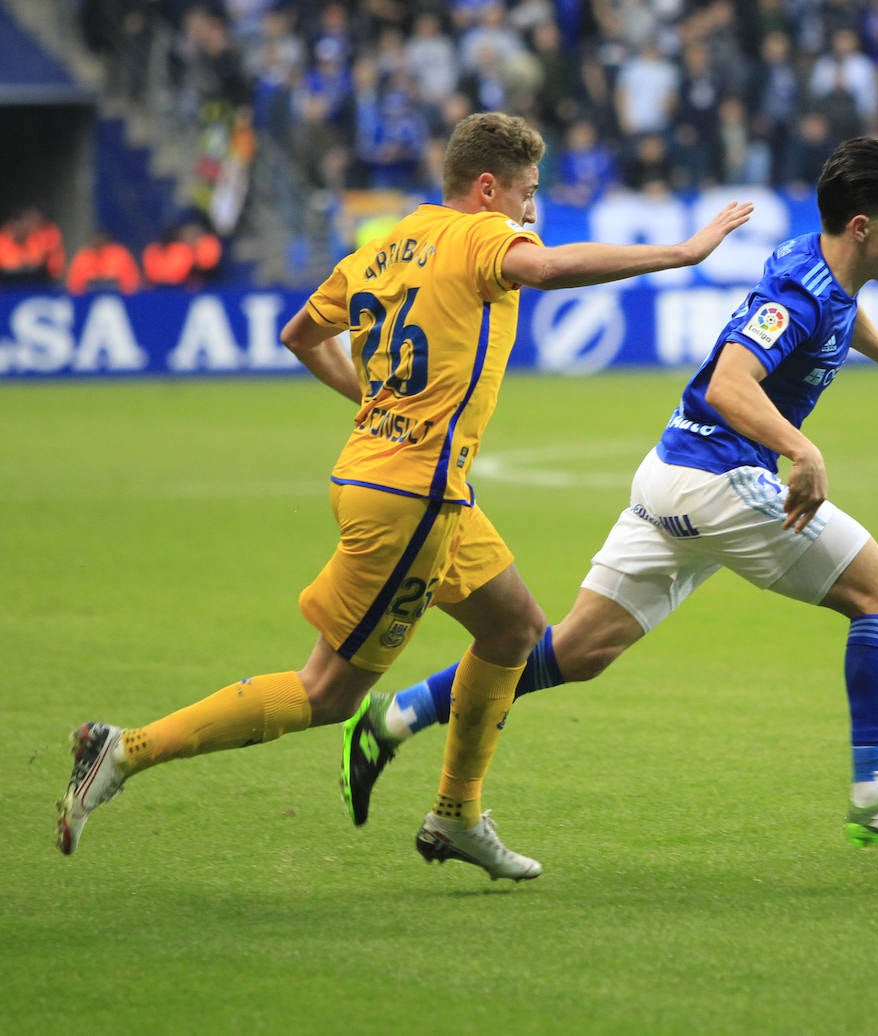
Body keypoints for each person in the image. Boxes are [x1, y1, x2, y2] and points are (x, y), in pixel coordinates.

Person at [55, 112, 753, 881]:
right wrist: (684, 251)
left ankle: (457, 814)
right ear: (487, 189)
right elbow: (547, 270)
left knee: (515, 630)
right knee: (325, 691)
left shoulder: (382, 246)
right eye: (526, 195)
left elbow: (299, 333)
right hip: (410, 499)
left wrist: (376, 402)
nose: (532, 214)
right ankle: (121, 750)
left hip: (407, 482)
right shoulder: (482, 236)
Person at [341, 136, 878, 855]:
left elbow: (841, 307)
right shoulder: (797, 294)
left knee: (578, 651)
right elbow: (728, 385)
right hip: (721, 481)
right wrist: (801, 449)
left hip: (672, 473)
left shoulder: (816, 260)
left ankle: (391, 719)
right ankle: (877, 792)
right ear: (863, 226)